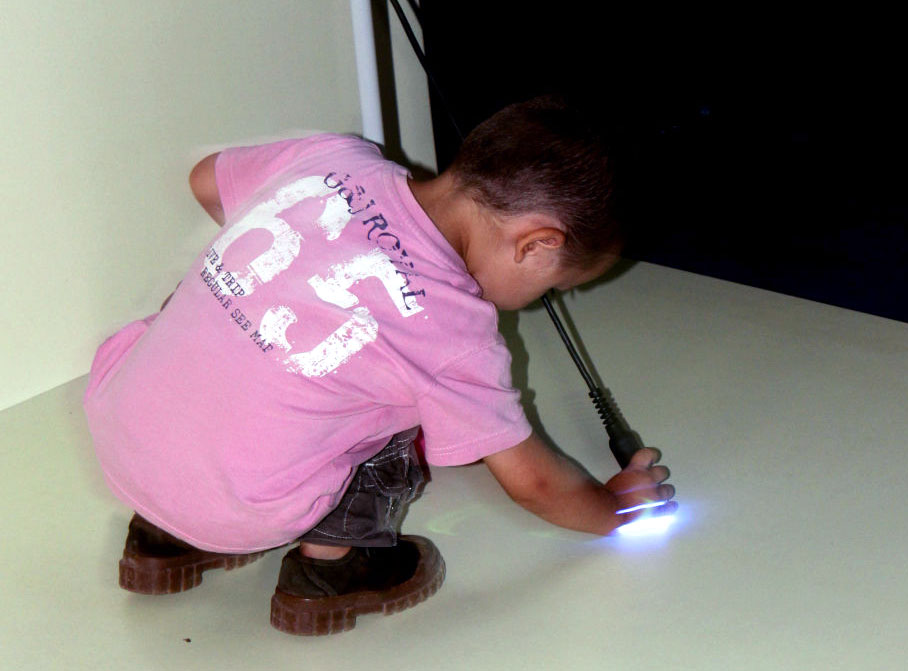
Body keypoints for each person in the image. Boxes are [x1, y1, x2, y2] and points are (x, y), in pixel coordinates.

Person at [83, 96, 676, 635]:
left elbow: (204, 179)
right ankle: (333, 568)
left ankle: (160, 537)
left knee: (206, 335)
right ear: (536, 244)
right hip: (242, 506)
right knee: (396, 414)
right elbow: (534, 484)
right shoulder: (456, 334)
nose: (549, 297)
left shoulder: (331, 155)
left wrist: (290, 275)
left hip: (118, 436)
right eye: (559, 285)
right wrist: (615, 510)